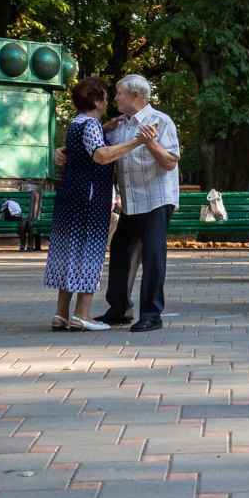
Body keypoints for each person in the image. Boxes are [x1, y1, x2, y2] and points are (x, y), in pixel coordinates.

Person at [44, 78, 149, 332]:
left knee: (69, 252)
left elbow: (83, 145)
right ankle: (82, 315)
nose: (108, 99)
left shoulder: (78, 123)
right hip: (89, 199)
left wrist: (107, 127)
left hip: (70, 195)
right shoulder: (91, 125)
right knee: (88, 251)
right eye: (104, 95)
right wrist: (137, 141)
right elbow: (101, 155)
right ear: (96, 100)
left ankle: (61, 314)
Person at [94, 75, 181, 332]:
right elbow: (100, 152)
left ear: (135, 95)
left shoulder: (161, 121)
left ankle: (152, 315)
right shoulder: (120, 126)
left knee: (153, 256)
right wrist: (64, 151)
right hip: (131, 201)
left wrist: (151, 143)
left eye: (119, 93)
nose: (116, 97)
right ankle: (119, 310)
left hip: (157, 198)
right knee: (120, 252)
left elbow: (170, 162)